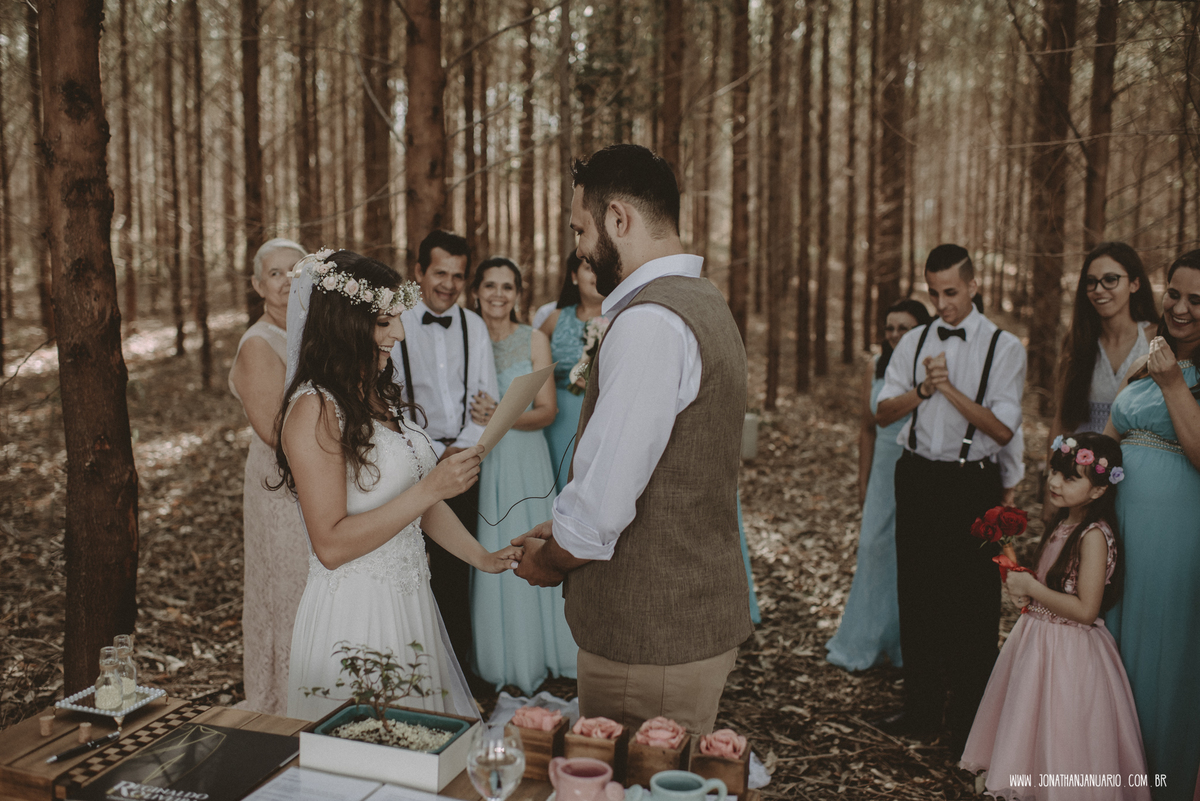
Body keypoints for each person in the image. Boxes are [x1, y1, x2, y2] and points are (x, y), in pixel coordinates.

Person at [513, 144, 752, 737]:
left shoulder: (651, 323)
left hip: (650, 644)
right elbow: (668, 470)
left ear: (619, 219)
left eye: (581, 229)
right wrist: (563, 523)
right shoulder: (703, 300)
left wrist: (552, 557)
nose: (579, 248)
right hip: (683, 620)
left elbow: (606, 501)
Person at [275, 249, 520, 722]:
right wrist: (431, 489)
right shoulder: (314, 410)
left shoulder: (381, 393)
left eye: (399, 320)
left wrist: (481, 558)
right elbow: (329, 543)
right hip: (356, 614)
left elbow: (416, 505)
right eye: (385, 322)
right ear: (345, 323)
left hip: (411, 603)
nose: (400, 334)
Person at [875, 244, 1027, 754]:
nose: (943, 304)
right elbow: (881, 412)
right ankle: (919, 709)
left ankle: (967, 723)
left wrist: (949, 390)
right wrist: (921, 392)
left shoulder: (1005, 347)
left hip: (971, 484)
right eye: (934, 293)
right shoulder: (914, 339)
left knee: (972, 603)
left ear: (974, 285)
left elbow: (1004, 430)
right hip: (916, 477)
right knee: (916, 592)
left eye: (952, 292)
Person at [961, 432, 1149, 800]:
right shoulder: (1062, 523)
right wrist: (1026, 589)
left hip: (1069, 656)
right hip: (1037, 646)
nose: (1055, 482)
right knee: (1031, 731)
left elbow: (1084, 609)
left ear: (1098, 490)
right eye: (1054, 472)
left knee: (1063, 737)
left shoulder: (1093, 535)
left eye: (1070, 477)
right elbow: (1054, 590)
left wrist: (1033, 590)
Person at [1103, 250, 1200, 800]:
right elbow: (1112, 438)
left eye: (1196, 300)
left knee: (1162, 660)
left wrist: (1172, 385)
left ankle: (1160, 783)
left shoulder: (1172, 373)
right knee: (1113, 657)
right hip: (1119, 532)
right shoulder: (1150, 359)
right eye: (1174, 294)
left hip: (1178, 539)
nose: (1180, 308)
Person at [391, 230, 500, 675]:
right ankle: (407, 665)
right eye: (440, 273)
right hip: (404, 462)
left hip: (461, 465)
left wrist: (459, 449)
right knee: (407, 567)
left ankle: (455, 673)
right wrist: (430, 449)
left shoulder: (474, 326)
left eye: (458, 276)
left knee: (456, 571)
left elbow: (485, 397)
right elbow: (390, 398)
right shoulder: (394, 322)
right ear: (418, 272)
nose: (449, 284)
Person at [467, 257, 577, 694]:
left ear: (517, 294)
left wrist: (502, 418)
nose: (498, 294)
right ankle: (496, 656)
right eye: (490, 285)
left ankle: (544, 652)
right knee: (486, 541)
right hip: (479, 457)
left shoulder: (533, 339)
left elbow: (547, 410)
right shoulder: (467, 336)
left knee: (524, 541)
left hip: (524, 454)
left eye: (507, 287)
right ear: (476, 291)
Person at [825, 298, 932, 672]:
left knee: (911, 554)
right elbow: (867, 427)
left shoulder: (932, 369)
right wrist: (863, 478)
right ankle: (865, 639)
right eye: (890, 327)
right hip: (883, 465)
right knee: (872, 547)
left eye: (904, 327)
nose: (895, 335)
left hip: (920, 465)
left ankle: (906, 644)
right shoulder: (876, 365)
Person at [227, 237, 310, 715]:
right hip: (279, 487)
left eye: (295, 271)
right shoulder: (258, 344)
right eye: (275, 273)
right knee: (285, 587)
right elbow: (275, 431)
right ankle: (279, 700)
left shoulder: (308, 333)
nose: (286, 282)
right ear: (258, 285)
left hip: (315, 479)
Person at [1045, 242, 1156, 516]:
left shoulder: (1155, 339)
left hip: (1138, 479)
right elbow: (1062, 420)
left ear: (1134, 283)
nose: (1099, 290)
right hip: (1083, 483)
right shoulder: (1079, 342)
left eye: (1110, 280)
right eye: (1091, 282)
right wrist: (1051, 489)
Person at [539, 252, 606, 491]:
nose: (596, 275)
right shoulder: (554, 318)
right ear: (574, 277)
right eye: (589, 268)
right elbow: (530, 364)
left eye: (601, 268)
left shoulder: (622, 318)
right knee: (555, 481)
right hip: (556, 416)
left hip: (600, 417)